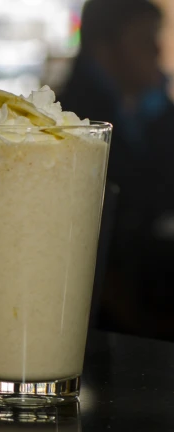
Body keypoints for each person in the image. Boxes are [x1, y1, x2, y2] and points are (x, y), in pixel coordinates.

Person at [60, 0, 174, 339]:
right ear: (104, 48)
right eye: (144, 39)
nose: (157, 49)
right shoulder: (69, 124)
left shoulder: (152, 109)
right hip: (103, 325)